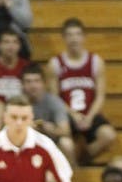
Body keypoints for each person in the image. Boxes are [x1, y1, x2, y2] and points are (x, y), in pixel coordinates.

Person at [47, 17, 117, 161]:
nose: (74, 39)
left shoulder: (96, 62)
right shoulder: (55, 64)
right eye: (70, 35)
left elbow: (100, 96)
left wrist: (89, 117)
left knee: (109, 135)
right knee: (65, 144)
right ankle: (73, 171)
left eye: (77, 34)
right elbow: (55, 99)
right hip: (67, 114)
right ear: (64, 38)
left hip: (89, 113)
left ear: (84, 37)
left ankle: (83, 158)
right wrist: (73, 115)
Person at [22, 63, 77, 166]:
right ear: (22, 85)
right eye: (28, 82)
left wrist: (51, 129)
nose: (33, 86)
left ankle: (71, 179)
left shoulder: (54, 101)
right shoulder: (16, 103)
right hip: (25, 142)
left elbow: (65, 130)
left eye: (36, 81)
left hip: (51, 143)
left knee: (67, 143)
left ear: (44, 84)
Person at [0, 29, 30, 103]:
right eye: (6, 42)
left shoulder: (28, 67)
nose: (11, 46)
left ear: (19, 46)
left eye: (15, 42)